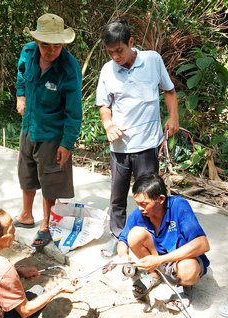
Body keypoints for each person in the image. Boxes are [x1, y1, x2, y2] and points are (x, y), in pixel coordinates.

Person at [96, 19, 179, 257]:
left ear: (131, 42)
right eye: (110, 52)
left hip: (147, 145)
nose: (115, 57)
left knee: (150, 197)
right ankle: (119, 237)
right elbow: (104, 105)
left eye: (119, 51)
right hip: (120, 147)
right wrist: (108, 124)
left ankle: (152, 237)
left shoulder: (153, 60)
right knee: (118, 196)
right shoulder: (107, 70)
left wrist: (174, 117)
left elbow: (170, 92)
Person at [14, 13, 83, 248]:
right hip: (29, 126)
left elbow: (74, 111)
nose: (51, 51)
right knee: (26, 173)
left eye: (57, 46)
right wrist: (20, 95)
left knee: (50, 178)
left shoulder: (69, 68)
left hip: (53, 133)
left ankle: (46, 226)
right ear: (37, 42)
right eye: (46, 45)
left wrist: (67, 143)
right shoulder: (28, 52)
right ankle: (26, 215)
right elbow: (21, 74)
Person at [117, 173, 210, 310]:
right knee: (134, 234)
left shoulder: (178, 206)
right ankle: (155, 275)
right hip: (157, 259)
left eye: (144, 204)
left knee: (188, 270)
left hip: (180, 259)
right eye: (137, 204)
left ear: (160, 199)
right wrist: (125, 258)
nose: (140, 208)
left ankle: (185, 286)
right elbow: (122, 240)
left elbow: (203, 244)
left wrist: (159, 260)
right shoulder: (140, 213)